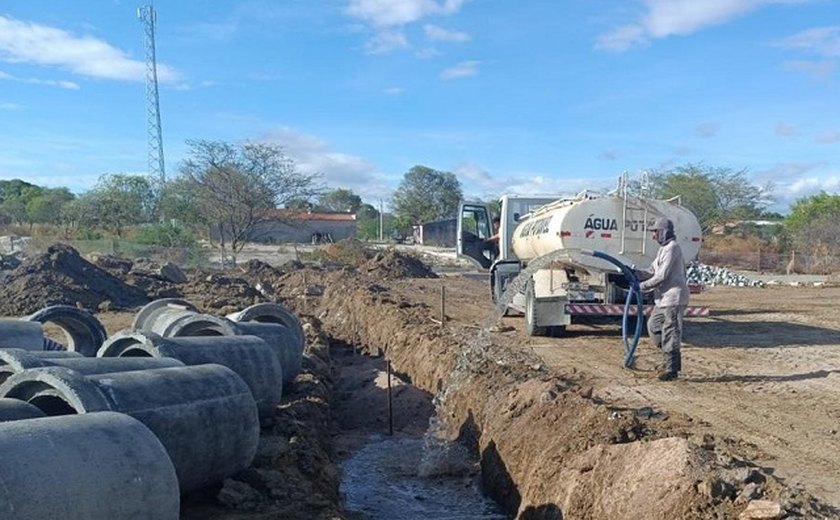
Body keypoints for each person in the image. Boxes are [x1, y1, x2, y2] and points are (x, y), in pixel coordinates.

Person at [635, 216, 689, 381]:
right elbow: (652, 270)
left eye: (655, 232)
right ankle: (667, 358)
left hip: (673, 297)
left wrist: (641, 286)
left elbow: (661, 276)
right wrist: (635, 273)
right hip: (663, 299)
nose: (653, 236)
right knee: (653, 326)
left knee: (670, 331)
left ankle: (671, 368)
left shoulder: (672, 248)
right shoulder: (662, 250)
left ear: (664, 232)